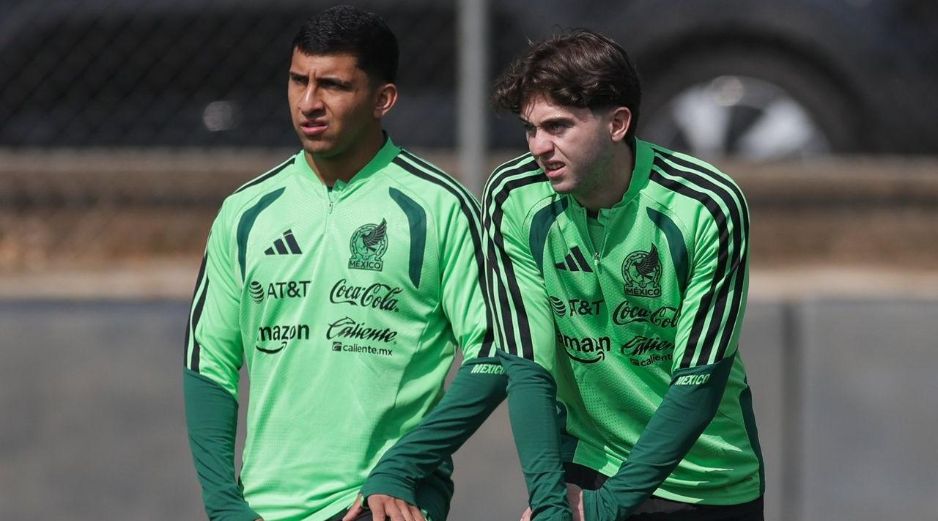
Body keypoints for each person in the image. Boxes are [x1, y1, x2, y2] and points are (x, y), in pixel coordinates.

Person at [360, 28, 764, 521]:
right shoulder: (514, 195)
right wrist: (551, 503)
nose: (538, 146)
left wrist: (607, 508)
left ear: (617, 123)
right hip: (589, 468)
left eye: (558, 127)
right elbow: (528, 367)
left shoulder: (706, 204)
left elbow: (698, 382)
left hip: (708, 483)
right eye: (530, 129)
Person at [182, 6, 502, 521]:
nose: (309, 103)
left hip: (384, 505)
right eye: (297, 81)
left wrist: (404, 466)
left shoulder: (439, 207)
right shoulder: (245, 213)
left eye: (332, 85)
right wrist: (224, 505)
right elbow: (208, 364)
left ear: (383, 100)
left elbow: (493, 354)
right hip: (265, 508)